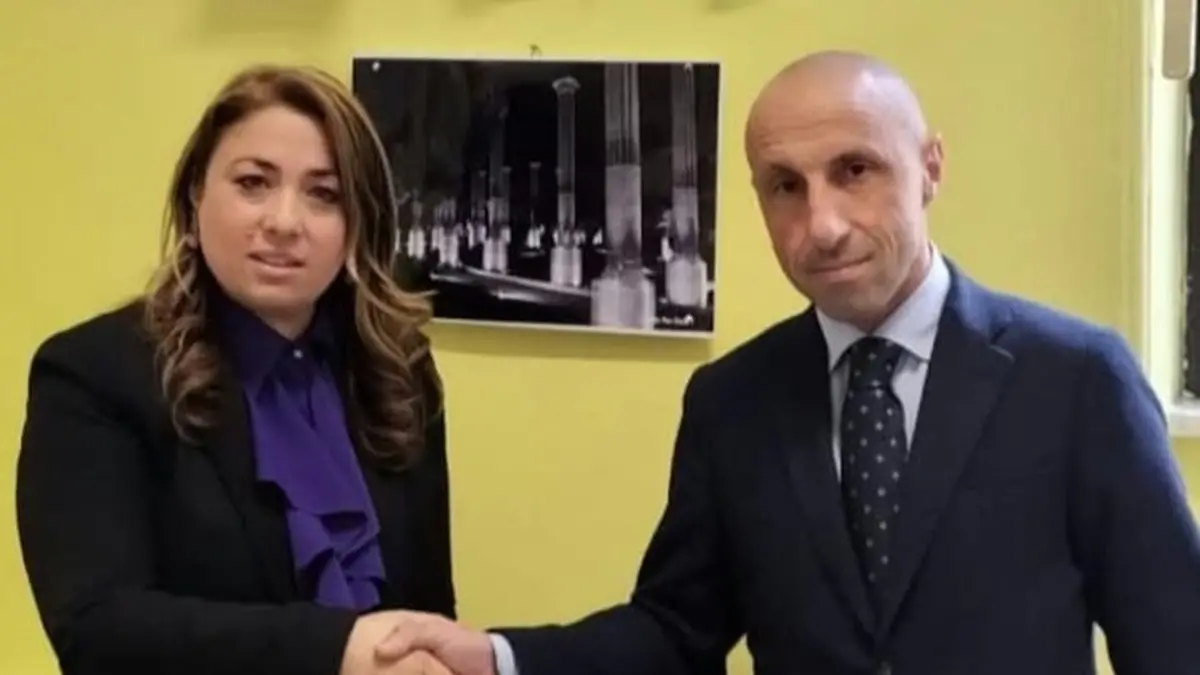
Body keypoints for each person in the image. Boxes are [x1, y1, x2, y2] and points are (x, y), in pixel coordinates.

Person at [366, 51, 1200, 675]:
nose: (822, 225)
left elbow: (1174, 642)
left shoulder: (1076, 379)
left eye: (855, 170)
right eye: (784, 186)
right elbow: (676, 631)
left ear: (930, 169)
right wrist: (498, 658)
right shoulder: (733, 400)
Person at [16, 64, 457, 675]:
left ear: (358, 224)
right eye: (253, 183)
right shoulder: (94, 374)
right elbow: (98, 629)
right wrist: (339, 650)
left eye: (324, 194)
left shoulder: (399, 372)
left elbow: (432, 618)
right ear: (195, 196)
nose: (284, 222)